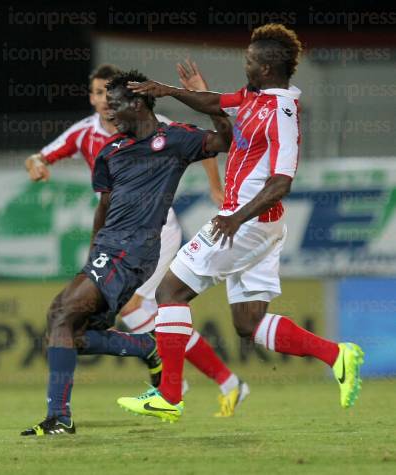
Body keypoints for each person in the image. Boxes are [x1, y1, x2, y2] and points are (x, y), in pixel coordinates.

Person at [117, 24, 364, 423]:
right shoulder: (254, 97)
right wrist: (172, 90)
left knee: (170, 291)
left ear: (266, 67)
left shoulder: (281, 112)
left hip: (245, 220)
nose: (245, 64)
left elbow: (282, 181)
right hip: (260, 225)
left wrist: (236, 218)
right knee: (248, 322)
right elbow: (217, 103)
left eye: (250, 60)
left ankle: (170, 394)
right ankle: (337, 355)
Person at [25, 62, 248, 417]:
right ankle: (209, 376)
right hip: (112, 237)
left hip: (151, 232)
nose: (102, 103)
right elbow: (50, 161)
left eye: (106, 95)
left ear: (137, 101)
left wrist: (214, 181)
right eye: (97, 94)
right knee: (84, 325)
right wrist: (35, 163)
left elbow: (215, 142)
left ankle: (172, 376)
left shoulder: (170, 136)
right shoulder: (94, 139)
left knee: (128, 309)